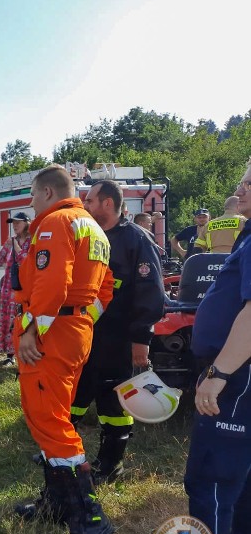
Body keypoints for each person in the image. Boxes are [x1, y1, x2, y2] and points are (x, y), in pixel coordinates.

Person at [130, 163, 251, 534]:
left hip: (237, 378)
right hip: (239, 375)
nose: (238, 190)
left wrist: (218, 375)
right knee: (242, 485)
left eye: (248, 184)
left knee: (212, 482)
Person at [12, 165, 115, 534]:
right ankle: (57, 503)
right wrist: (84, 318)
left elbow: (52, 282)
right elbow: (105, 288)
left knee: (50, 423)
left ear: (50, 192)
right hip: (74, 332)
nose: (32, 204)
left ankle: (89, 519)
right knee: (55, 417)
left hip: (51, 336)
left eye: (34, 196)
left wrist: (31, 332)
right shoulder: (93, 227)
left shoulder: (56, 223)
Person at [70, 181, 164, 484]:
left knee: (113, 402)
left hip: (119, 338)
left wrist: (141, 340)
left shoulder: (135, 240)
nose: (85, 206)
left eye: (90, 201)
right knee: (77, 392)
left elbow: (150, 294)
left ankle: (110, 464)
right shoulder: (90, 236)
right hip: (85, 335)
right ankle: (63, 454)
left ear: (108, 203)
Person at [0, 212, 31, 367]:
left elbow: (25, 259)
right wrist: (8, 268)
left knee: (18, 319)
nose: (15, 226)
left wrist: (15, 246)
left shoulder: (31, 241)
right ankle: (10, 354)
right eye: (13, 223)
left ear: (26, 223)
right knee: (7, 318)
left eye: (18, 223)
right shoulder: (10, 241)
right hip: (8, 287)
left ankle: (20, 351)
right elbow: (0, 258)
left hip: (23, 288)